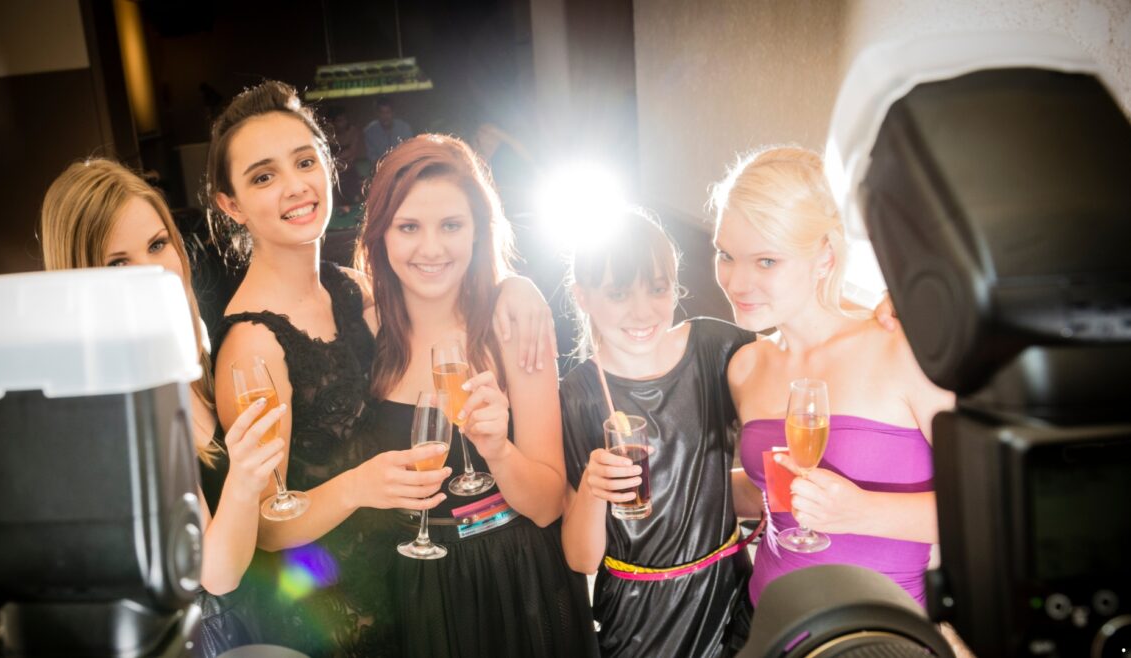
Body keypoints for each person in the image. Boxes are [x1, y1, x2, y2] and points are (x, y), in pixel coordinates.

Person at [204, 82, 556, 656]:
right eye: (263, 176)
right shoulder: (251, 345)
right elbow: (263, 525)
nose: (295, 186)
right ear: (231, 205)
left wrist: (514, 286)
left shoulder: (353, 291)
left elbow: (440, 291)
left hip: (415, 588)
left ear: (327, 165)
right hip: (337, 610)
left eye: (304, 162)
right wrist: (358, 487)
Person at [354, 133, 599, 658]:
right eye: (409, 227)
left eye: (451, 225)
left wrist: (499, 451)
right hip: (411, 584)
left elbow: (548, 505)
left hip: (515, 578)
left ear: (478, 230)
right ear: (381, 233)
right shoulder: (363, 331)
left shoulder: (511, 324)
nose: (432, 249)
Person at [39, 158, 287, 656]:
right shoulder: (118, 400)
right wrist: (244, 477)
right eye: (117, 263)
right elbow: (215, 574)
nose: (153, 272)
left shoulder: (188, 359)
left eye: (157, 245)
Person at [711, 146, 953, 609]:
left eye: (766, 261)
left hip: (878, 628)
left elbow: (993, 507)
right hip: (769, 618)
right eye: (726, 255)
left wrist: (863, 511)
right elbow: (771, 496)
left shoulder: (899, 348)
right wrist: (674, 479)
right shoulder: (746, 367)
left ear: (824, 256)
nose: (737, 282)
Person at [558, 208, 756, 657]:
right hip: (638, 619)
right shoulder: (577, 395)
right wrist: (593, 488)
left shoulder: (715, 348)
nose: (642, 311)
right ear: (582, 296)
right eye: (618, 293)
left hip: (729, 598)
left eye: (658, 288)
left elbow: (797, 363)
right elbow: (581, 559)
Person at [363, 95, 414, 164]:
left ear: (393, 113)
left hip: (402, 164)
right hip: (381, 167)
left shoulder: (405, 128)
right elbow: (372, 157)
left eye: (388, 112)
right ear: (377, 113)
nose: (385, 116)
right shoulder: (370, 132)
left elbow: (409, 152)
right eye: (382, 113)